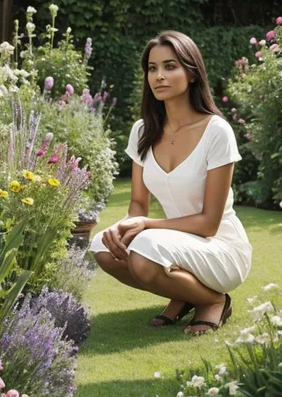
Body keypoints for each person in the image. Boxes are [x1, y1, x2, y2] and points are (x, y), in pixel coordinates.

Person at [90, 30, 252, 335]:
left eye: (170, 66)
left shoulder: (216, 131)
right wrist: (122, 226)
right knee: (103, 247)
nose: (159, 76)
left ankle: (213, 300)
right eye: (152, 68)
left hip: (220, 247)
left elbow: (209, 224)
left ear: (191, 73)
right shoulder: (142, 130)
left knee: (144, 253)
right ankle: (183, 292)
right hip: (173, 243)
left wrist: (147, 226)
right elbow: (138, 204)